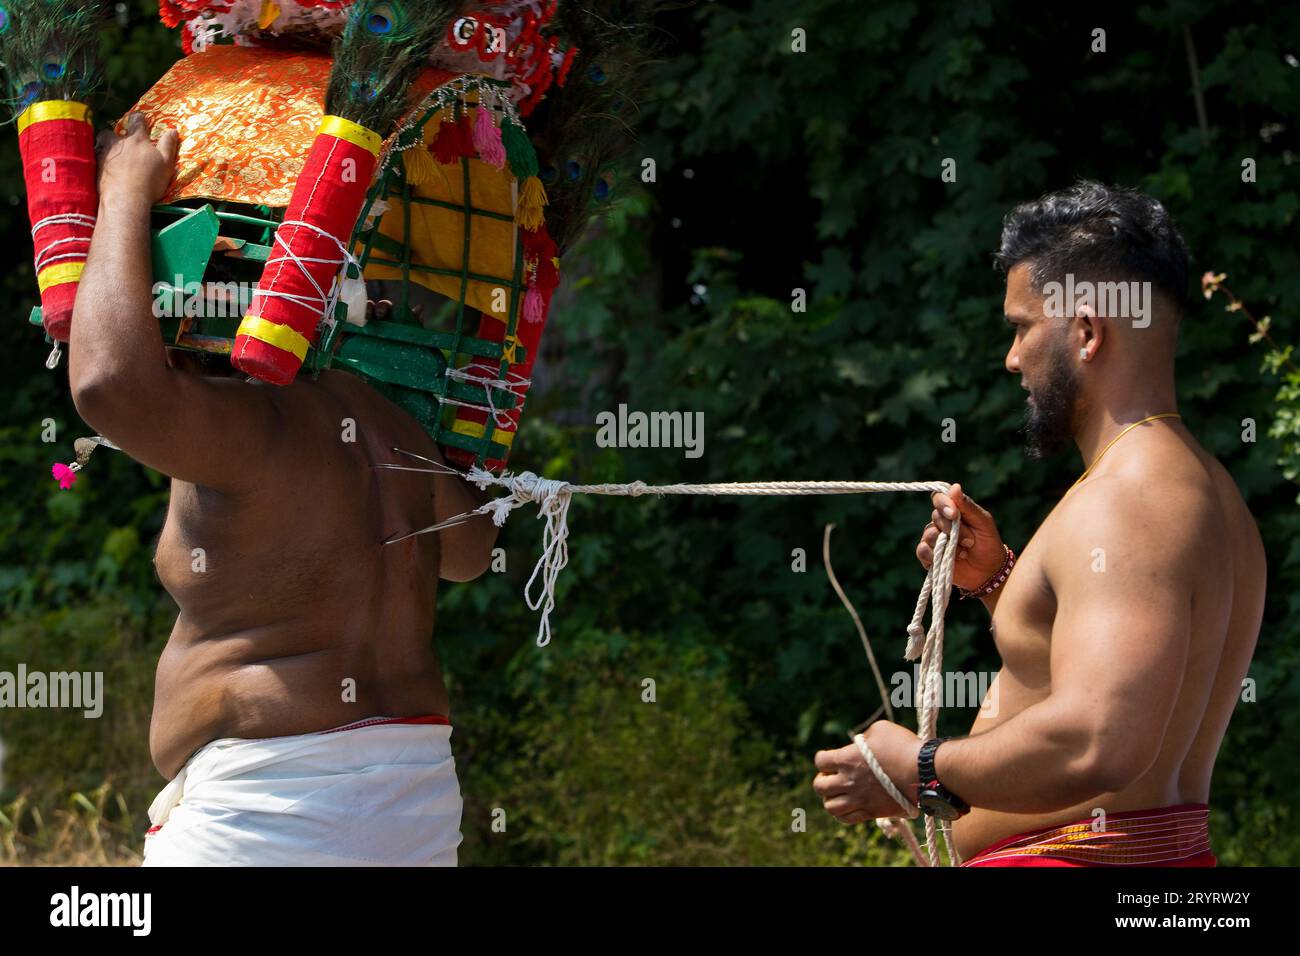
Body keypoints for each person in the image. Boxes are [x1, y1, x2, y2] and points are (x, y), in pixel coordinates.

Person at [69, 112, 500, 865]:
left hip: (274, 814)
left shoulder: (254, 426)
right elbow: (467, 553)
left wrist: (122, 191)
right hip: (418, 801)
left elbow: (108, 384)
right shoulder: (392, 426)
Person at [812, 181, 1266, 867]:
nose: (1012, 358)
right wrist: (1000, 581)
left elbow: (1099, 738)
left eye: (1022, 327)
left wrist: (919, 766)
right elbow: (1122, 669)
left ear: (1086, 331)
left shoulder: (1126, 500)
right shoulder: (1207, 490)